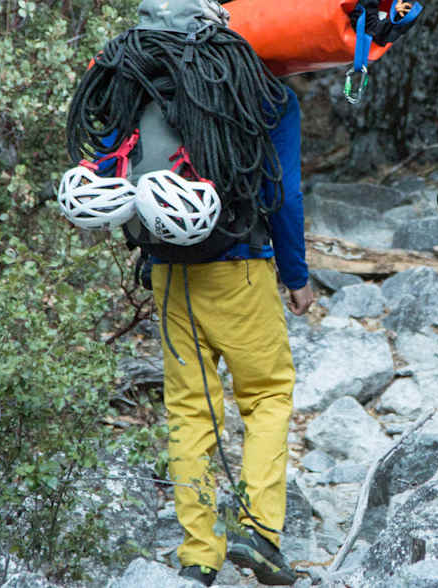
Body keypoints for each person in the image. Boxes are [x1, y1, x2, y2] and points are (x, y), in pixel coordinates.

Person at [161, 86, 313, 587]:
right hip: (240, 267)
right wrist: (296, 275)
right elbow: (282, 193)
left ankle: (199, 557)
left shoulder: (146, 85)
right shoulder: (268, 95)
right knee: (267, 394)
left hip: (169, 271)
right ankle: (259, 534)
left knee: (189, 410)